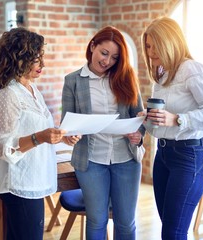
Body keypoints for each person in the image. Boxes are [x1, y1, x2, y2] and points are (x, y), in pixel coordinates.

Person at [140, 17, 203, 240]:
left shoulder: (192, 70)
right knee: (169, 226)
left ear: (170, 41)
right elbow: (161, 125)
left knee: (173, 232)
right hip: (164, 155)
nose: (150, 52)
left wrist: (178, 119)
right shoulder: (161, 76)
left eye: (154, 45)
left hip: (189, 157)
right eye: (148, 46)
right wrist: (147, 120)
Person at [0, 27, 74, 240]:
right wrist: (39, 138)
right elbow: (3, 148)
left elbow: (37, 131)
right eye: (36, 59)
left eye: (41, 57)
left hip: (33, 178)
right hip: (19, 184)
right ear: (18, 59)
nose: (41, 64)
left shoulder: (33, 91)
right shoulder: (8, 95)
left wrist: (60, 136)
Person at [61, 26, 145, 240]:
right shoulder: (73, 80)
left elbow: (139, 118)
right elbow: (66, 124)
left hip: (126, 157)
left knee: (126, 222)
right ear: (92, 47)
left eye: (114, 57)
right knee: (97, 220)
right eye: (104, 53)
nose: (107, 61)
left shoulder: (126, 78)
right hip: (91, 161)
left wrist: (139, 134)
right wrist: (69, 135)